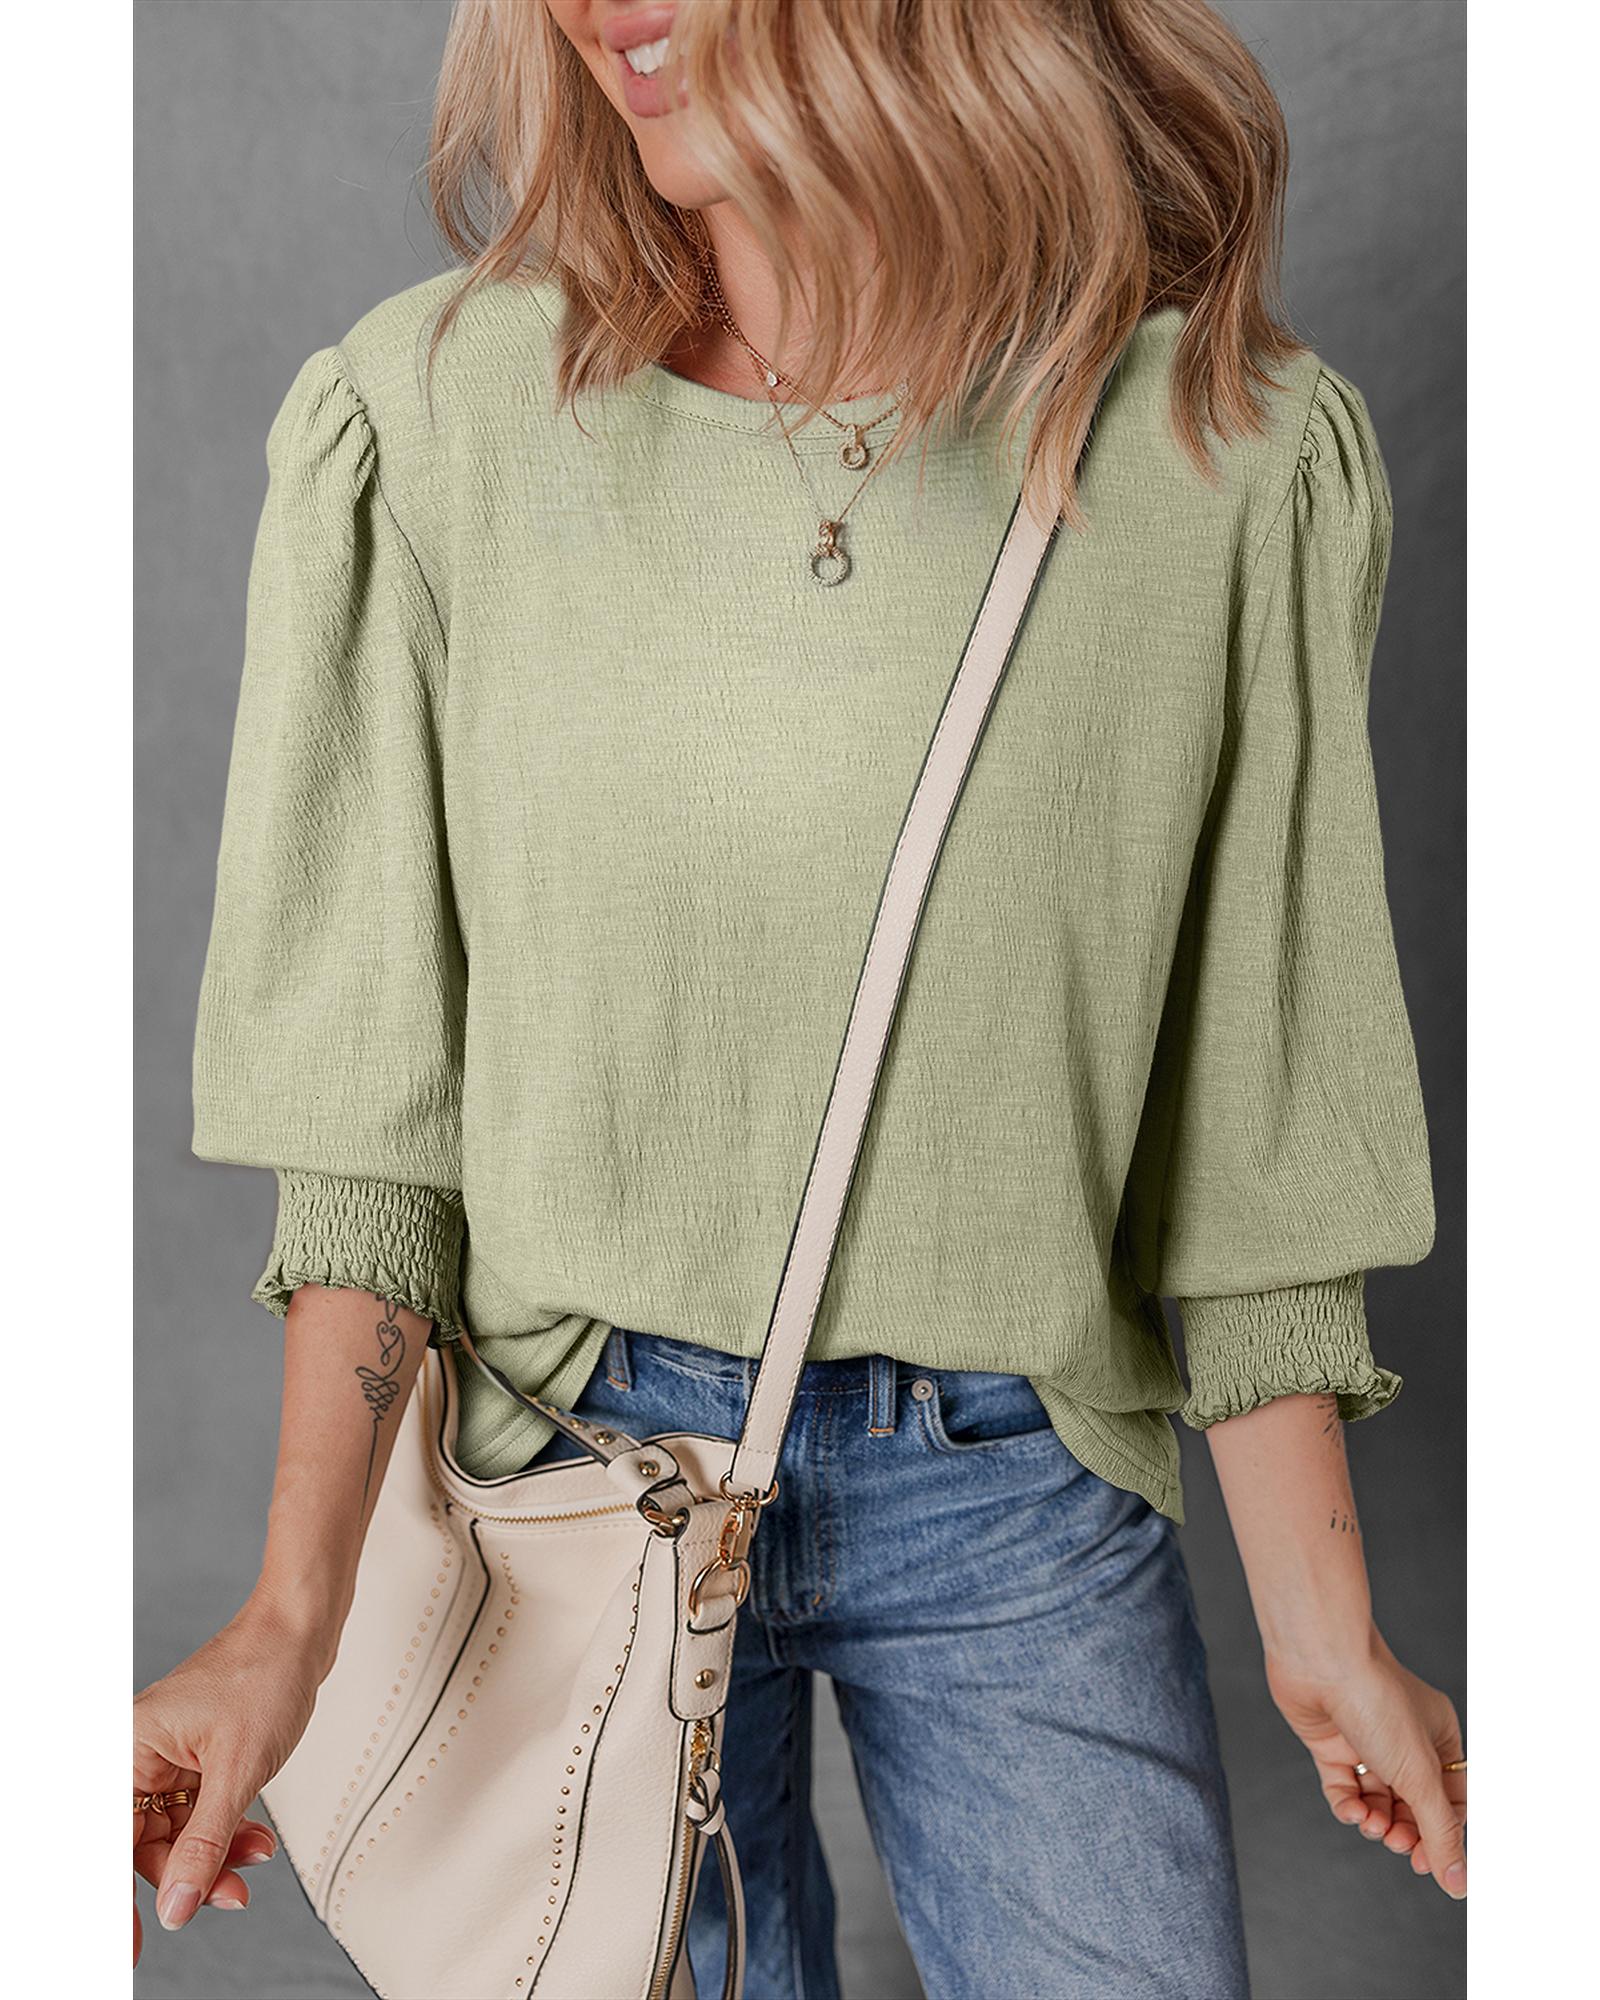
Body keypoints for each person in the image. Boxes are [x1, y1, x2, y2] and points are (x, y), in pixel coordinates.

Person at [133, 2, 1465, 1993]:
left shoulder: (1216, 452)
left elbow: (1258, 1119)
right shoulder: (435, 420)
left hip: (1015, 1485)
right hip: (569, 1471)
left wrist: (1321, 1628)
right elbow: (372, 1135)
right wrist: (289, 1614)